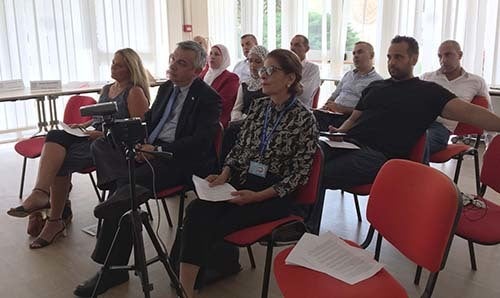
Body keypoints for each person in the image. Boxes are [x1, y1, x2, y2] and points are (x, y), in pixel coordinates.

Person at [73, 40, 221, 297]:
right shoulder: (165, 89)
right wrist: (139, 143)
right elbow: (150, 121)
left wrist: (157, 152)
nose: (173, 66)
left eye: (181, 63)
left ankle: (113, 268)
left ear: (197, 71)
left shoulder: (208, 98)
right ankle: (122, 193)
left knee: (126, 188)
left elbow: (201, 142)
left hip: (179, 159)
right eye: (172, 59)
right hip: (150, 150)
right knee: (104, 149)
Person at [178, 49, 318, 298]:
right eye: (262, 70)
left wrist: (258, 196)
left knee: (213, 220)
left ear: (290, 78)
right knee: (197, 209)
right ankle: (186, 289)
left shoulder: (304, 118)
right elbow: (240, 147)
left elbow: (299, 175)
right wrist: (224, 173)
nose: (262, 75)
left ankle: (208, 272)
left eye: (270, 70)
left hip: (274, 194)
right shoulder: (260, 107)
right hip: (243, 180)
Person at [7, 48, 150, 249]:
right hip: (93, 137)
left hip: (112, 146)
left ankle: (52, 216)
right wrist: (83, 126)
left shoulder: (134, 92)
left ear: (130, 68)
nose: (113, 67)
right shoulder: (107, 88)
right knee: (55, 135)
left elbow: (136, 132)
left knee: (60, 161)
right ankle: (43, 199)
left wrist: (97, 134)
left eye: (118, 64)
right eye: (113, 62)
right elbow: (99, 118)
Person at [321, 35, 500, 191]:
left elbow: (471, 113)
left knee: (318, 173)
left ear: (414, 59)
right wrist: (340, 132)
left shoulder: (428, 91)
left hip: (380, 156)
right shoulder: (376, 86)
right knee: (308, 159)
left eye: (398, 57)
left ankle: (305, 227)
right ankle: (301, 225)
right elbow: (354, 118)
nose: (392, 62)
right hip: (348, 143)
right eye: (389, 57)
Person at [421, 40, 492, 156]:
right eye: (440, 56)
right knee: (392, 138)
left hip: (441, 128)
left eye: (448, 54)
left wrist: (490, 145)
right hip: (420, 121)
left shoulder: (476, 81)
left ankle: (415, 173)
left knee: (418, 144)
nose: (443, 60)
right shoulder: (427, 77)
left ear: (460, 55)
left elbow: (487, 112)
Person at [313, 41, 383, 131]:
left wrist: (341, 109)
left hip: (350, 119)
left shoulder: (377, 82)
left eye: (360, 52)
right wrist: (326, 106)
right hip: (332, 114)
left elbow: (368, 112)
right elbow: (334, 96)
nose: (356, 56)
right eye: (354, 53)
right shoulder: (348, 75)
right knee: (311, 117)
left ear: (371, 55)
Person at [221, 45, 268, 160]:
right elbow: (237, 108)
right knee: (231, 132)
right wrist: (238, 119)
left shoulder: (268, 85)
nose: (253, 65)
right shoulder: (245, 84)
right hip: (242, 122)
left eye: (258, 62)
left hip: (262, 125)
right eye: (250, 61)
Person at [199, 44, 239, 127]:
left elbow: (222, 102)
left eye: (216, 54)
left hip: (216, 118)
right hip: (198, 115)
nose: (212, 57)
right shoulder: (202, 74)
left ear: (224, 58)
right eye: (211, 53)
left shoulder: (231, 78)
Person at [290, 34, 321, 108]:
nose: (292, 48)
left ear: (306, 49)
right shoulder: (285, 66)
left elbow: (305, 95)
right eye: (291, 44)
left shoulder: (313, 68)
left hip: (301, 109)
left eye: (297, 45)